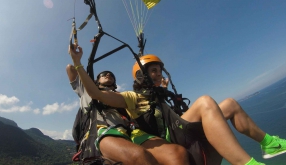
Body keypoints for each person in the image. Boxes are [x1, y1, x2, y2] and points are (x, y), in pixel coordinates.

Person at [68, 44, 286, 165]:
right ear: (142, 76)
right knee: (205, 102)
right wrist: (78, 64)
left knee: (229, 104)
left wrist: (162, 88)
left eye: (159, 70)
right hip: (165, 136)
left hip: (174, 128)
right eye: (152, 70)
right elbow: (95, 92)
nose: (158, 73)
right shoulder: (130, 97)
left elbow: (168, 110)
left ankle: (269, 143)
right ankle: (246, 164)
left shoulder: (160, 94)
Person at [66, 63, 189, 165]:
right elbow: (70, 68)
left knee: (177, 153)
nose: (107, 74)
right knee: (140, 156)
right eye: (103, 74)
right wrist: (84, 73)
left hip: (131, 133)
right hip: (105, 131)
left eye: (111, 75)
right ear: (96, 80)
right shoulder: (87, 92)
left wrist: (163, 88)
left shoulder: (122, 96)